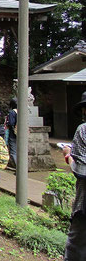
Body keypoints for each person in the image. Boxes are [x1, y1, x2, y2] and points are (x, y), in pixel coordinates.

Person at [62, 91, 86, 261]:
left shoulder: (83, 130)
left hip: (84, 206)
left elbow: (81, 170)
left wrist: (69, 155)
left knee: (76, 250)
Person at [5, 98, 18, 168]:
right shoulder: (21, 111)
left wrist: (7, 122)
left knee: (13, 152)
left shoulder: (12, 112)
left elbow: (11, 123)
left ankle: (18, 168)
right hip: (21, 134)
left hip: (13, 134)